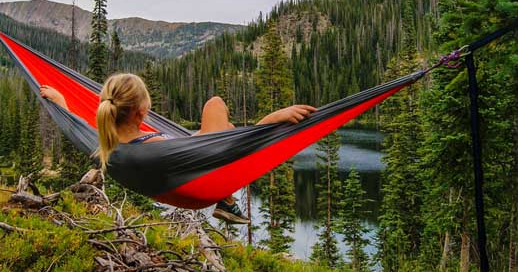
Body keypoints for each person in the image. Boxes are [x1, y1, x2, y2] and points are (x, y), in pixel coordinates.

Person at [40, 73, 316, 224]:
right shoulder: (154, 148)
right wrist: (271, 121)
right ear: (141, 112)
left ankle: (228, 201)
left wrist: (61, 102)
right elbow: (229, 154)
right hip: (198, 186)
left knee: (227, 127)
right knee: (215, 104)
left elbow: (77, 125)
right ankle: (226, 200)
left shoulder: (105, 142)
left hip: (179, 172)